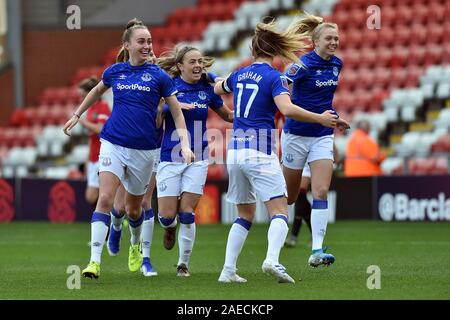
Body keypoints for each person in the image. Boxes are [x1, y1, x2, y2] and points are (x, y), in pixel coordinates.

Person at [214, 19, 344, 284]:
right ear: (275, 52)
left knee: (245, 214)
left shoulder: (239, 74)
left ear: (252, 51)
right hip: (260, 150)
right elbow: (286, 109)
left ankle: (228, 271)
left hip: (234, 151)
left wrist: (209, 81)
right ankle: (272, 260)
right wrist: (320, 118)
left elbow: (216, 88)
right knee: (281, 211)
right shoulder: (274, 77)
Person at [63, 18, 194, 279]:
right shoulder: (116, 71)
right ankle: (94, 262)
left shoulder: (160, 76)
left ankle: (134, 244)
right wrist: (78, 115)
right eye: (142, 41)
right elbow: (97, 91)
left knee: (135, 210)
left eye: (149, 42)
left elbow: (177, 115)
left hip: (144, 151)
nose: (147, 46)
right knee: (104, 199)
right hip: (113, 143)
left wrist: (186, 145)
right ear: (128, 45)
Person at [155, 45, 233, 277]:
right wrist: (167, 107)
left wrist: (253, 117)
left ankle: (183, 264)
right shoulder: (169, 87)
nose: (198, 65)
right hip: (170, 156)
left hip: (198, 156)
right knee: (167, 217)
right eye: (193, 62)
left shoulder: (206, 89)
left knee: (187, 213)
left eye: (200, 61)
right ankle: (169, 228)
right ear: (180, 66)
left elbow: (227, 115)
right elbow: (157, 122)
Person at [280, 14, 349, 268]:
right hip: (296, 135)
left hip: (321, 136)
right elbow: (282, 83)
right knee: (289, 196)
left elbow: (324, 102)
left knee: (320, 190)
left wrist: (335, 119)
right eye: (329, 38)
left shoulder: (337, 64)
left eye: (337, 38)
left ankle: (317, 249)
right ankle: (274, 237)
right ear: (315, 41)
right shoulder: (302, 65)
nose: (334, 42)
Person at [106, 49, 163, 277]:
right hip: (126, 147)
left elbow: (160, 125)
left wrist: (160, 108)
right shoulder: (124, 82)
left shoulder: (160, 82)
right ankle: (116, 227)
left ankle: (145, 258)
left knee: (144, 204)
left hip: (152, 150)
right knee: (120, 208)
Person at [284, 143, 339, 248]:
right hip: (298, 153)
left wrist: (334, 156)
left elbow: (330, 139)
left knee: (300, 192)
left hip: (313, 157)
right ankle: (312, 234)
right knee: (298, 196)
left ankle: (294, 236)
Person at [77, 77, 111, 207]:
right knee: (90, 197)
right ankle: (107, 217)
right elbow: (91, 139)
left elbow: (101, 129)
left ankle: (112, 219)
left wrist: (84, 122)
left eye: (83, 95)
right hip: (93, 157)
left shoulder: (102, 107)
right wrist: (87, 160)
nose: (82, 98)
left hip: (103, 156)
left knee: (103, 195)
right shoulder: (90, 109)